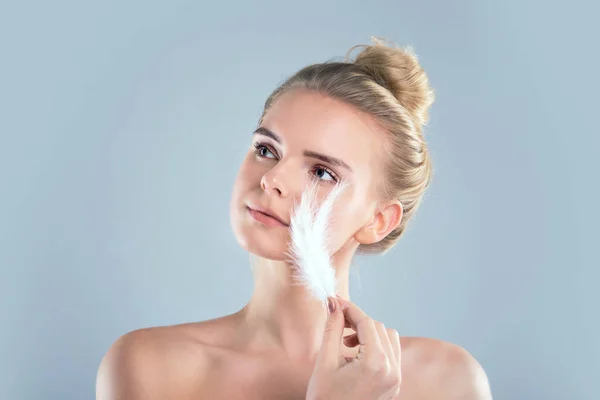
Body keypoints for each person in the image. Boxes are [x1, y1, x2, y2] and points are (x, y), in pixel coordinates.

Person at [96, 37, 492, 399]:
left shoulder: (446, 380)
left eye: (322, 173)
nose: (271, 180)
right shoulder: (152, 367)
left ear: (379, 220)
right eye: (267, 149)